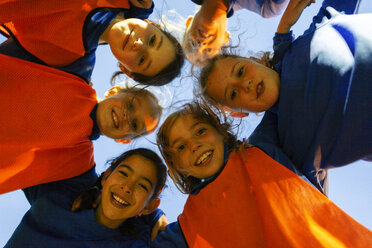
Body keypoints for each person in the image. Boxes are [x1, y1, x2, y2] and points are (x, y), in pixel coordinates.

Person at [198, 0, 370, 193]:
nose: (244, 84)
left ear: (255, 61)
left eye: (240, 71)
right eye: (233, 93)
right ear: (237, 113)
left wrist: (283, 35)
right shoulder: (277, 146)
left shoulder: (305, 42)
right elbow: (308, 201)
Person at [152, 101, 372, 248]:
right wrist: (149, 218)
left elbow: (283, 96)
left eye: (200, 131)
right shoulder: (186, 227)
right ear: (178, 166)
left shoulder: (264, 146)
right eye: (180, 147)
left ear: (220, 131)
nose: (194, 145)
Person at [0, 54, 162, 194]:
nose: (127, 116)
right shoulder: (76, 71)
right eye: (131, 104)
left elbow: (98, 207)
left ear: (124, 140)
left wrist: (153, 220)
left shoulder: (78, 165)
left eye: (134, 124)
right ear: (114, 91)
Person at [5, 148, 168, 247]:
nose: (127, 187)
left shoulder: (136, 242)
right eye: (123, 173)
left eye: (142, 186)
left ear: (149, 206)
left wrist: (155, 217)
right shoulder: (65, 189)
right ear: (106, 177)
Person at [0, 0, 185, 86]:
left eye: (142, 60)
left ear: (126, 70)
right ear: (151, 24)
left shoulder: (72, 64)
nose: (138, 45)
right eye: (152, 40)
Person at [183, 0, 290, 66]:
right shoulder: (267, 5)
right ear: (225, 38)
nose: (202, 45)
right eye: (208, 50)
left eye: (193, 44)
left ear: (188, 23)